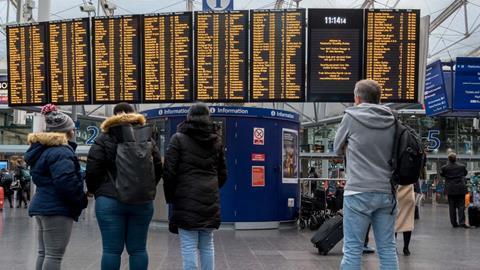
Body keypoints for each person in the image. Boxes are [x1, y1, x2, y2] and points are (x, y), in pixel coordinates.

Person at [85, 102, 163, 270]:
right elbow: (157, 168)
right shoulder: (147, 138)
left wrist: (97, 190)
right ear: (133, 115)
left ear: (113, 116)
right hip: (142, 201)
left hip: (109, 201)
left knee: (111, 251)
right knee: (138, 249)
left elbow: (92, 170)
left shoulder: (103, 139)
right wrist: (145, 188)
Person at [334, 79, 398, 270]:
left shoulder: (351, 117)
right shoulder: (393, 118)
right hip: (387, 192)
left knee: (353, 249)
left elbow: (337, 148)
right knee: (387, 249)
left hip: (358, 192)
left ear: (358, 98)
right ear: (378, 98)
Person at [163, 103, 227, 270]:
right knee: (207, 244)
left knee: (189, 245)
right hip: (209, 200)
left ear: (188, 117)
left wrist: (171, 197)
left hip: (185, 200)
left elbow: (169, 172)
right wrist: (211, 187)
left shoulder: (178, 139)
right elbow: (223, 173)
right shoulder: (216, 141)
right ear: (208, 118)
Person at [25, 104, 88, 270]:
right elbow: (65, 182)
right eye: (72, 129)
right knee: (54, 255)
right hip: (56, 208)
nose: (74, 132)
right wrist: (81, 200)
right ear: (67, 132)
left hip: (42, 205)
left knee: (44, 252)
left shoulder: (44, 150)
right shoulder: (61, 152)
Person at [440, 152, 469, 228]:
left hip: (450, 189)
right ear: (456, 158)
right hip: (460, 188)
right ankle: (462, 222)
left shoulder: (444, 167)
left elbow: (442, 175)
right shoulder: (462, 166)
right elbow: (465, 173)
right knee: (461, 206)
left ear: (448, 159)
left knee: (451, 207)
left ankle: (454, 223)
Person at [395, 184, 415, 256]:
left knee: (395, 221)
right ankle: (406, 248)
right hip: (409, 193)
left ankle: (393, 247)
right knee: (408, 221)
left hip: (397, 191)